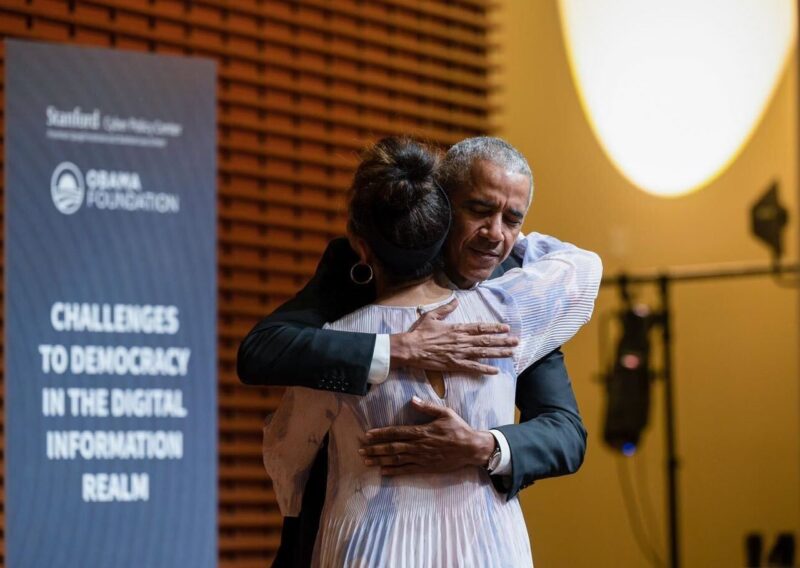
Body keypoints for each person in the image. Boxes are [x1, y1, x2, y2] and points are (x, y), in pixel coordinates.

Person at [238, 136, 589, 567]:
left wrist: (484, 445)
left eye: (512, 220)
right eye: (479, 210)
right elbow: (262, 351)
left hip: (478, 541)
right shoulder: (360, 263)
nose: (496, 234)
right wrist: (394, 346)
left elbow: (565, 431)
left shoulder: (517, 291)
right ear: (441, 206)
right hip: (356, 535)